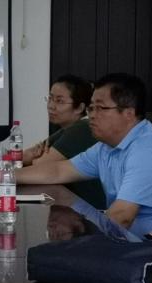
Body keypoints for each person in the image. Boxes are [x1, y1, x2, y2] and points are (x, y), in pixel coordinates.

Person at [0, 73, 152, 238]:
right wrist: (1, 174)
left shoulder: (149, 151)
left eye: (100, 108)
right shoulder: (107, 146)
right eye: (91, 108)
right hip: (130, 244)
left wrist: (83, 246)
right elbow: (58, 170)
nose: (91, 115)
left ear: (129, 113)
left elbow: (122, 216)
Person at [23, 74, 105, 209]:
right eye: (50, 98)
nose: (51, 106)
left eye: (59, 101)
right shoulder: (67, 128)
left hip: (90, 211)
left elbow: (40, 166)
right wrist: (31, 158)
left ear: (79, 108)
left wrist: (33, 159)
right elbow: (27, 155)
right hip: (71, 205)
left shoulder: (82, 128)